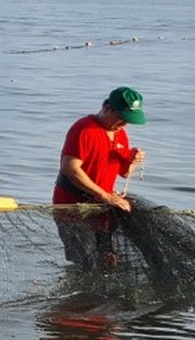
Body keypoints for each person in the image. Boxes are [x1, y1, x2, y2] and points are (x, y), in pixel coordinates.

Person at [52, 86, 146, 270]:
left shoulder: (120, 134)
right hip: (73, 207)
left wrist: (134, 160)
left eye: (128, 120)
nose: (124, 124)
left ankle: (98, 298)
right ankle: (80, 298)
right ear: (107, 108)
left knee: (108, 260)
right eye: (122, 118)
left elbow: (124, 173)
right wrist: (105, 196)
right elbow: (70, 169)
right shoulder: (84, 129)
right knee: (86, 262)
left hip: (102, 209)